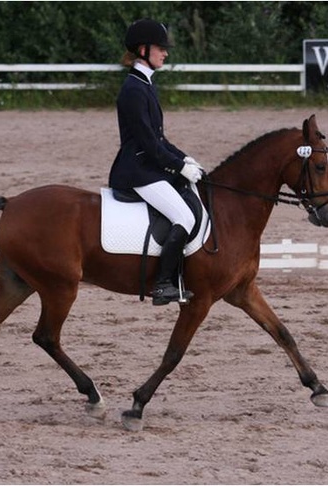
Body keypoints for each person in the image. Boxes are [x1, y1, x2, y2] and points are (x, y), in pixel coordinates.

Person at [108, 19, 203, 306]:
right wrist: (178, 166)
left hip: (148, 165)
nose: (166, 53)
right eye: (160, 48)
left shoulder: (145, 84)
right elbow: (149, 144)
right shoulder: (133, 89)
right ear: (143, 50)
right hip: (137, 171)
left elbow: (159, 138)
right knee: (184, 217)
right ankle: (162, 285)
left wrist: (184, 158)